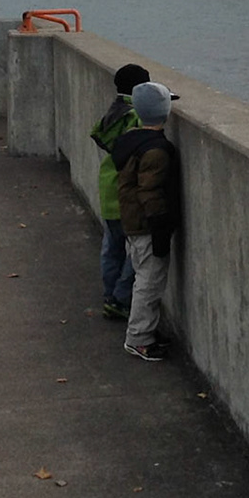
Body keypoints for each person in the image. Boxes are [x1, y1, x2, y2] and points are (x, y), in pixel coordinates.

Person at [112, 81, 181, 361]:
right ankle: (138, 338)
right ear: (164, 113)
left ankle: (146, 331)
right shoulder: (155, 152)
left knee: (144, 277)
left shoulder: (132, 140)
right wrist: (161, 229)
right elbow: (150, 193)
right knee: (149, 283)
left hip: (133, 222)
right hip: (147, 227)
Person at [90, 63, 150, 320]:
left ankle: (109, 295)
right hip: (126, 194)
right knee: (138, 251)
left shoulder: (113, 113)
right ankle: (121, 297)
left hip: (108, 188)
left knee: (111, 247)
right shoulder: (135, 116)